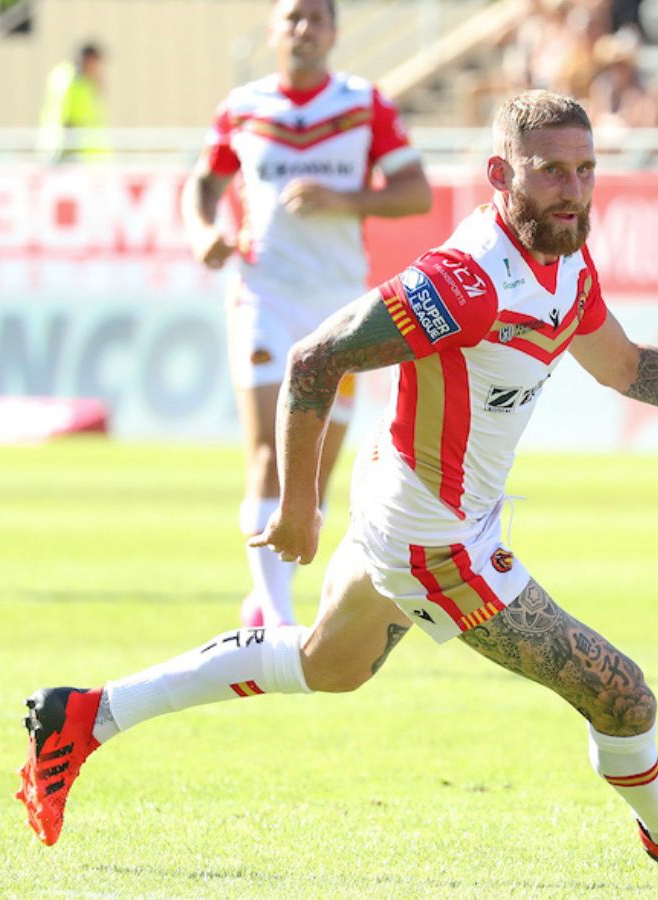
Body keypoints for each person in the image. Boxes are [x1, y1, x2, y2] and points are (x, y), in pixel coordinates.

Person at [17, 90, 658, 884]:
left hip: (414, 505)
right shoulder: (467, 280)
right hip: (434, 538)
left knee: (327, 666)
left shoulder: (564, 254)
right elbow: (314, 357)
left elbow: (625, 366)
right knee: (622, 694)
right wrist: (298, 504)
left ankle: (86, 716)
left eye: (587, 169)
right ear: (500, 174)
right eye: (552, 171)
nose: (574, 190)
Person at [180, 0, 432, 628]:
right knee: (269, 453)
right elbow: (203, 187)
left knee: (313, 472)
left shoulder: (363, 104)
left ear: (334, 33)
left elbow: (416, 192)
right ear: (273, 31)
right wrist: (203, 231)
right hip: (262, 295)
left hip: (340, 308)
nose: (304, 29)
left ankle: (269, 596)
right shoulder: (241, 107)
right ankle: (274, 611)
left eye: (316, 18)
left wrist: (342, 198)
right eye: (292, 17)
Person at [38, 41, 109, 162]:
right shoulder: (73, 82)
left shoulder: (69, 76)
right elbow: (67, 118)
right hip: (69, 150)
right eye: (96, 63)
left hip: (72, 149)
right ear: (88, 60)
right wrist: (71, 147)